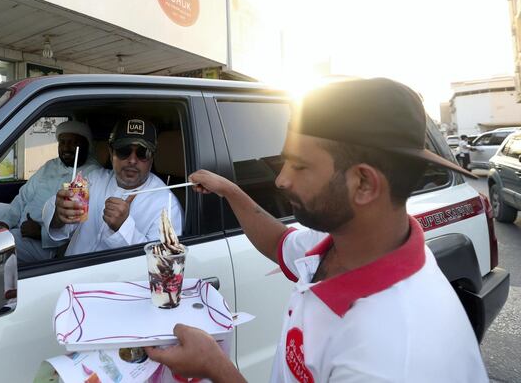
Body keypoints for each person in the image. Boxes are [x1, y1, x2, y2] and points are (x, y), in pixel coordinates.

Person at [146, 78, 487, 383]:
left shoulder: (393, 358)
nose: (281, 179)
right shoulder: (341, 238)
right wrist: (229, 190)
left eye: (300, 165)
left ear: (364, 183)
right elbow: (280, 242)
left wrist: (215, 367)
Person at [42, 117, 182, 256]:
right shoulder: (92, 179)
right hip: (69, 272)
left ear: (152, 158)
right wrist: (59, 215)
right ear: (111, 153)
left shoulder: (167, 205)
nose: (132, 160)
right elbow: (64, 222)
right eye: (124, 151)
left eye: (142, 153)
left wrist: (124, 227)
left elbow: (161, 263)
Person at [0, 121, 100, 263]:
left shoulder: (90, 175)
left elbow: (76, 226)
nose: (66, 148)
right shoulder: (50, 165)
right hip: (21, 226)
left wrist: (40, 233)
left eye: (73, 143)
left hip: (45, 245)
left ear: (86, 145)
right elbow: (23, 196)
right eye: (62, 142)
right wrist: (6, 222)